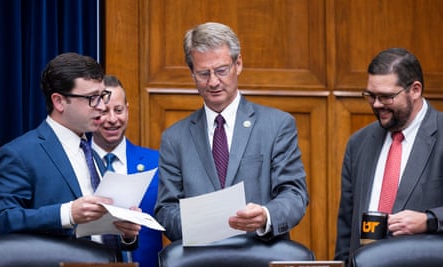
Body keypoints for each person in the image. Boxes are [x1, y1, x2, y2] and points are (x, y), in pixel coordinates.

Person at [154, 22, 309, 242]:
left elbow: (295, 194)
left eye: (221, 71)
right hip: (201, 259)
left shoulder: (277, 125)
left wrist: (266, 216)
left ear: (238, 64)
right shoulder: (174, 138)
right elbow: (166, 211)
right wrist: (205, 223)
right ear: (192, 74)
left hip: (259, 254)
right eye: (203, 74)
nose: (213, 82)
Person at [0, 52, 141, 260]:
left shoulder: (92, 154)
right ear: (59, 101)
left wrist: (126, 234)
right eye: (92, 98)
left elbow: (100, 235)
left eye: (102, 96)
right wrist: (67, 214)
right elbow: (2, 218)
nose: (101, 106)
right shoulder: (19, 154)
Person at [334, 48, 443, 264]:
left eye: (386, 97)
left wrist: (429, 220)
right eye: (370, 96)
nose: (376, 104)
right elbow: (347, 227)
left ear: (415, 90)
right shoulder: (359, 143)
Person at [92, 75, 162, 267]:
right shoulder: (75, 161)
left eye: (119, 110)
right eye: (104, 111)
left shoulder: (156, 163)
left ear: (128, 110)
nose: (112, 119)